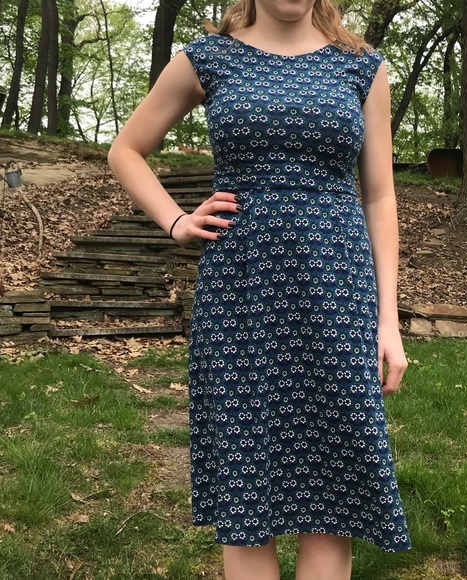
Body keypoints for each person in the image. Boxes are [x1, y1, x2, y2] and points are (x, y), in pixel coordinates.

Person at [108, 0, 411, 577]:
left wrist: (388, 322)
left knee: (332, 495)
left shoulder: (362, 65)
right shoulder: (208, 58)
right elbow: (125, 150)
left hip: (337, 294)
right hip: (240, 296)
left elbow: (379, 195)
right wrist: (176, 221)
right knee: (247, 491)